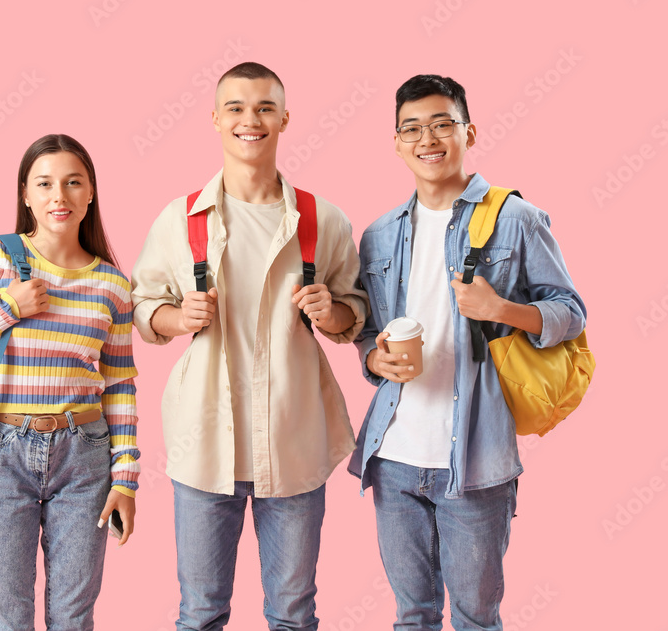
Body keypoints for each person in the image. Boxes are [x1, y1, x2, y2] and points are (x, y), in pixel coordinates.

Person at [131, 62, 368, 631]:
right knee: (201, 613)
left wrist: (329, 309)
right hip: (204, 445)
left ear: (285, 119)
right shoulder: (180, 217)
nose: (250, 120)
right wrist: (174, 314)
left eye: (264, 107)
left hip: (294, 443)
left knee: (292, 614)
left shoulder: (321, 218)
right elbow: (142, 307)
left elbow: (355, 312)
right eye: (235, 108)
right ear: (215, 120)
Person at [350, 75, 586, 630]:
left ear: (468, 132)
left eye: (441, 124)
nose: (427, 139)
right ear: (397, 142)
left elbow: (570, 313)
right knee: (412, 615)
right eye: (412, 128)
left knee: (477, 618)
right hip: (395, 457)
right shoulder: (379, 235)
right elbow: (370, 330)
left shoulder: (516, 219)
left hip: (476, 460)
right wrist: (371, 358)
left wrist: (502, 309)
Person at [0, 133, 139, 630]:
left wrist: (126, 478)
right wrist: (5, 310)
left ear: (91, 193)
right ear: (25, 194)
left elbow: (120, 387)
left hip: (84, 456)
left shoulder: (113, 285)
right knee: (7, 618)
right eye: (44, 184)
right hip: (0, 452)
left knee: (73, 618)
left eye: (72, 183)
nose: (58, 197)